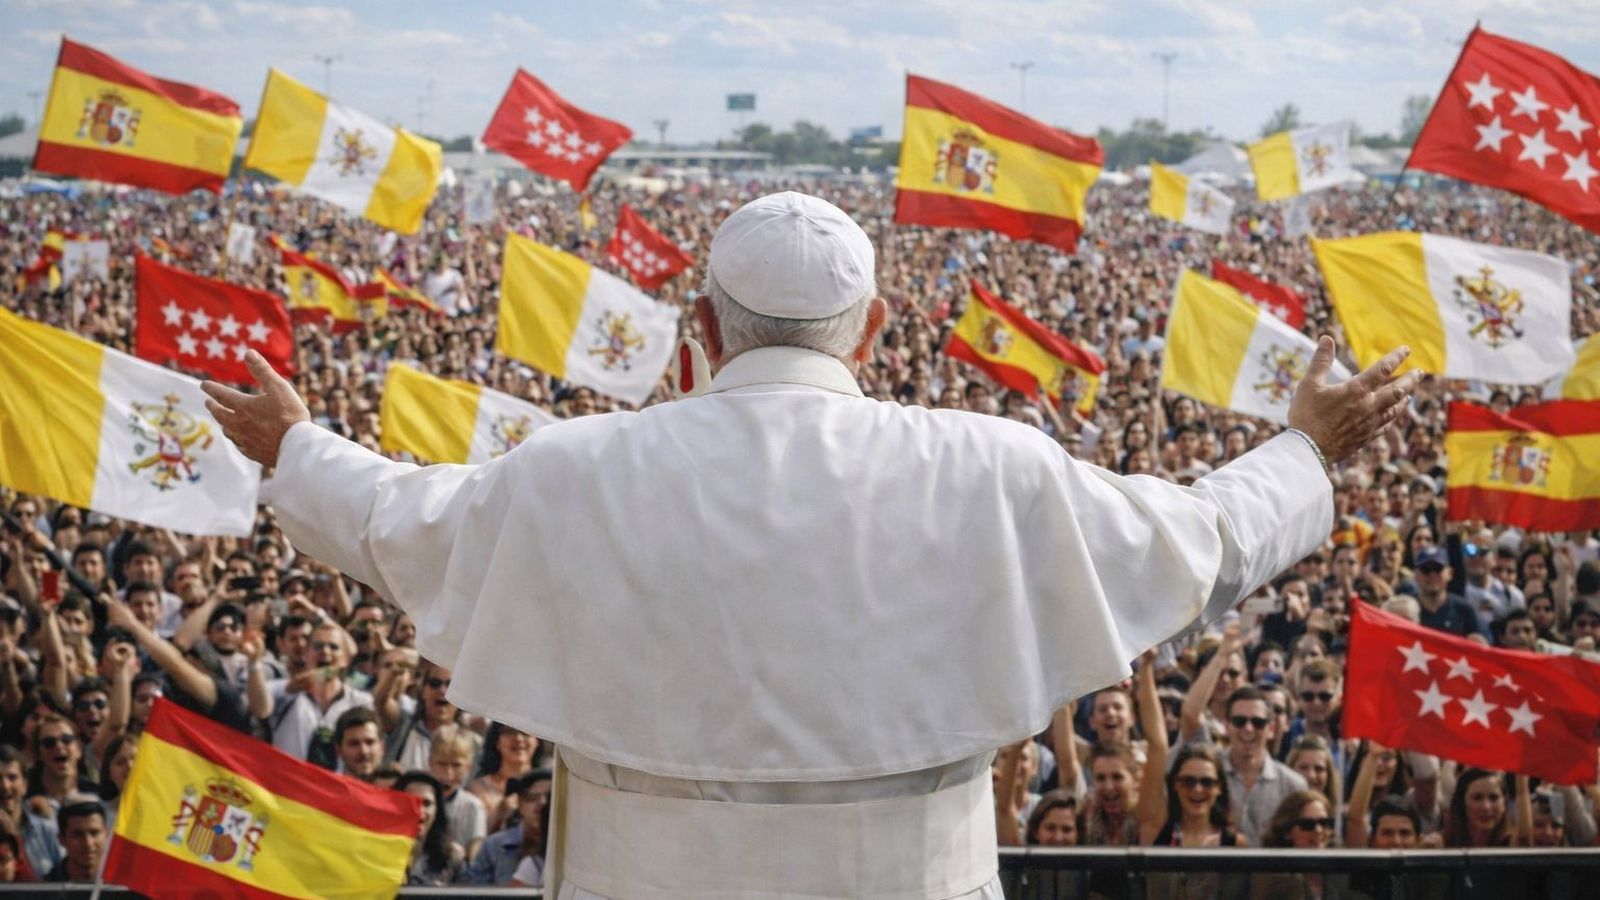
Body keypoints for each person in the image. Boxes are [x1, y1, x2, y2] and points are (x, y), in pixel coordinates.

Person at [204, 190, 1418, 898]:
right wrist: (1305, 450)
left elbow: (387, 521)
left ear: (700, 325)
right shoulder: (982, 464)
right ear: (874, 327)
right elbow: (1201, 545)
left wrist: (294, 444)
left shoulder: (577, 468)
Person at [469, 769, 553, 886]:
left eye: (551, 798)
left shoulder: (571, 846)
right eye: (532, 796)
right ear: (519, 802)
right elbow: (477, 891)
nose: (542, 803)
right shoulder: (494, 846)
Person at [394, 770, 466, 886]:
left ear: (437, 810)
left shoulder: (452, 859)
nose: (420, 811)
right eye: (411, 802)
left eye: (427, 804)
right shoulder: (376, 855)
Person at [44, 801, 104, 883]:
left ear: (106, 835)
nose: (88, 843)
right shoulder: (45, 888)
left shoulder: (125, 883)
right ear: (62, 839)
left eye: (94, 833)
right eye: (78, 835)